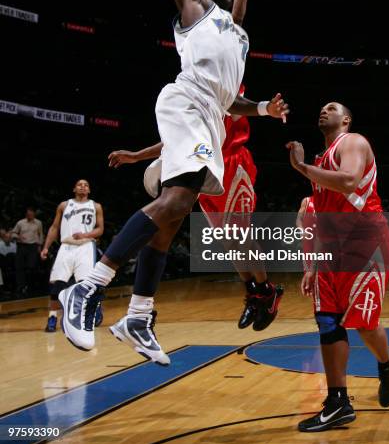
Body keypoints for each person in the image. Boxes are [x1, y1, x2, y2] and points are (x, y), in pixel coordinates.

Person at [59, 0, 289, 364]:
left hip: (211, 113)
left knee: (172, 219)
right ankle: (88, 288)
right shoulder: (195, 10)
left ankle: (139, 314)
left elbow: (235, 101)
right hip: (185, 103)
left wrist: (265, 112)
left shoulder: (238, 35)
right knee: (180, 200)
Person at [108, 87, 285, 333]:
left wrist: (266, 107)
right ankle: (253, 293)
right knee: (227, 242)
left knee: (241, 235)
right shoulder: (196, 97)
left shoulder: (226, 87)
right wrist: (137, 156)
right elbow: (176, 142)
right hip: (208, 170)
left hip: (234, 166)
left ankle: (268, 292)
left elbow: (239, 105)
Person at [287, 102, 389, 432]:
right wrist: (310, 265)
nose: (323, 110)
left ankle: (386, 364)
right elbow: (317, 219)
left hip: (365, 243)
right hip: (332, 251)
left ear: (346, 119)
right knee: (327, 321)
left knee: (363, 323)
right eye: (319, 108)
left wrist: (301, 166)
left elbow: (349, 180)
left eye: (331, 108)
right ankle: (338, 403)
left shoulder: (353, 142)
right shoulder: (321, 162)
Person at [40, 180, 104, 332]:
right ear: (74, 188)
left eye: (86, 185)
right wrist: (46, 247)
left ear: (89, 190)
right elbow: (55, 227)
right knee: (57, 286)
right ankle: (52, 318)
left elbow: (100, 229)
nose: (83, 186)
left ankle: (91, 312)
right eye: (80, 184)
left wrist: (85, 234)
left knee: (86, 285)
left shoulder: (96, 206)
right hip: (66, 246)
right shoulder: (64, 205)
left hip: (86, 246)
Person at [11, 207, 43, 296]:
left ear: (34, 214)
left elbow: (40, 235)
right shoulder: (20, 222)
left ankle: (30, 286)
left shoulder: (38, 223)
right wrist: (18, 237)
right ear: (26, 215)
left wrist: (40, 246)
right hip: (22, 246)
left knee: (31, 266)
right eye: (28, 214)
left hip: (33, 246)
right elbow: (13, 233)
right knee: (19, 267)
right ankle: (20, 286)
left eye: (31, 214)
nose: (29, 216)